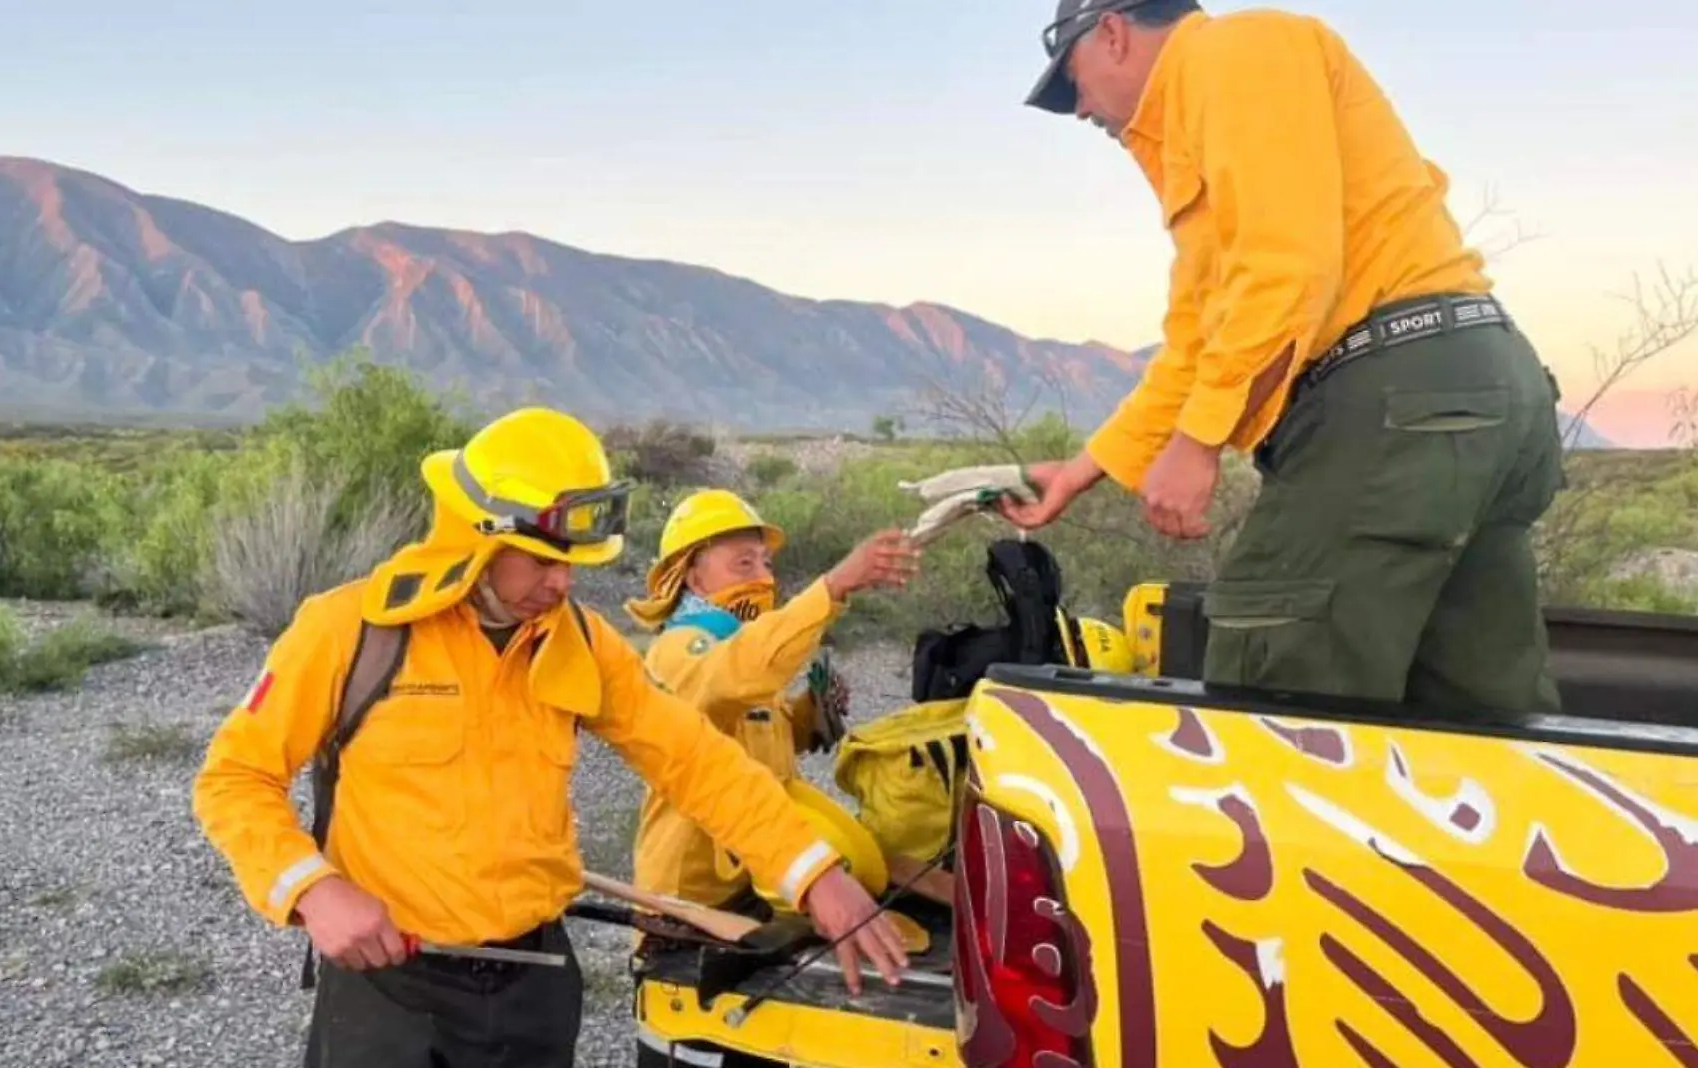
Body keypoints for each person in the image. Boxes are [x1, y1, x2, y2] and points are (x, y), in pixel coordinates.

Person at [191, 408, 909, 1068]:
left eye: (572, 563)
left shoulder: (582, 646)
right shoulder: (350, 630)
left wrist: (812, 873)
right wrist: (312, 890)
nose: (563, 585)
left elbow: (693, 759)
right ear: (479, 538)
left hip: (531, 988)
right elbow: (234, 778)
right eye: (542, 561)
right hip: (387, 989)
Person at [1003, 0, 1566, 717]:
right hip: (1468, 392)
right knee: (1475, 707)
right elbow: (1199, 340)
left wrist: (1198, 442)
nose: (1078, 108)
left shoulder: (1234, 55)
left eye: (1070, 80)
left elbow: (1289, 269)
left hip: (1397, 396)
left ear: (1111, 31)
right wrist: (1085, 471)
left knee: (1272, 681)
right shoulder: (1205, 132)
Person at [620, 489, 919, 1068]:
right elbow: (732, 680)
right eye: (742, 563)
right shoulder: (683, 649)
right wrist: (832, 589)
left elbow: (767, 739)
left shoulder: (737, 645)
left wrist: (810, 714)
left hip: (759, 883)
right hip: (691, 907)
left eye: (765, 563)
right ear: (690, 573)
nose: (761, 576)